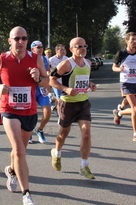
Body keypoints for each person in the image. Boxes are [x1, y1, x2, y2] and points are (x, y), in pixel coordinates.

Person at [0, 26, 49, 205]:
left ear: (27, 41)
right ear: (10, 41)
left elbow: (47, 82)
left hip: (29, 111)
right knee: (20, 150)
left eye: (24, 38)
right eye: (17, 38)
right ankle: (26, 194)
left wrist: (38, 79)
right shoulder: (3, 59)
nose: (20, 42)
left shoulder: (36, 59)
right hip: (9, 110)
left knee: (20, 150)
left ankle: (12, 171)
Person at [49, 37, 97, 180]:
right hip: (67, 103)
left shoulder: (88, 63)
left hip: (83, 103)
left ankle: (84, 166)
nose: (82, 48)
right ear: (71, 49)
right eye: (78, 46)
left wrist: (91, 84)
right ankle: (56, 153)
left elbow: (84, 79)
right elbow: (51, 80)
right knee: (64, 134)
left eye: (84, 46)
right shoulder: (66, 64)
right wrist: (66, 89)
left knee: (86, 134)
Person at [112, 32, 136, 143]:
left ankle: (119, 113)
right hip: (126, 83)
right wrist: (120, 69)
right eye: (132, 39)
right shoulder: (121, 53)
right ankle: (135, 134)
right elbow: (114, 67)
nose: (134, 41)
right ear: (127, 41)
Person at [29, 40, 51, 144]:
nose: (41, 49)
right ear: (32, 49)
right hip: (31, 89)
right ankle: (28, 132)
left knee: (48, 112)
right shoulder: (28, 58)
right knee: (31, 114)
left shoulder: (45, 59)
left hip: (41, 89)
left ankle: (40, 130)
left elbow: (48, 74)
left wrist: (48, 88)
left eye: (42, 46)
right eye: (38, 47)